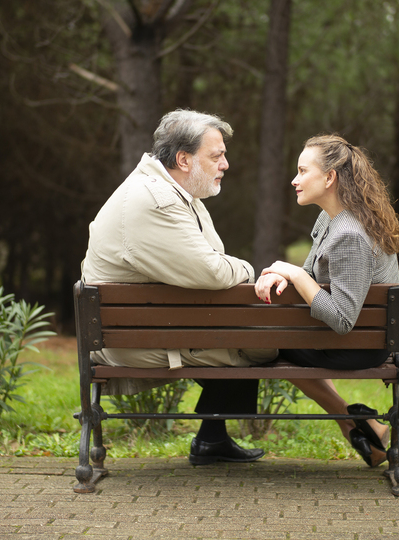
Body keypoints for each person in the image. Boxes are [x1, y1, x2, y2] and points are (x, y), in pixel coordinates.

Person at [81, 109, 277, 466]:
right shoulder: (159, 201)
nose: (225, 164)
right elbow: (214, 270)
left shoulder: (172, 192)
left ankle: (212, 438)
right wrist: (251, 270)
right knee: (262, 344)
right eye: (216, 156)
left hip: (146, 330)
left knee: (249, 330)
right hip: (133, 343)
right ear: (184, 159)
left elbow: (209, 267)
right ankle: (212, 436)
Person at [254, 134, 399, 468]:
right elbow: (310, 270)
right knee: (273, 338)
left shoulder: (348, 234)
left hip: (357, 344)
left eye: (302, 171)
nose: (294, 180)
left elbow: (341, 318)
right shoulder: (333, 218)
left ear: (329, 177)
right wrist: (286, 275)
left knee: (267, 343)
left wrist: (295, 274)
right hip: (361, 337)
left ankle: (350, 422)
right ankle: (362, 426)